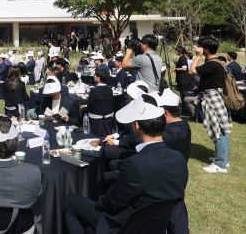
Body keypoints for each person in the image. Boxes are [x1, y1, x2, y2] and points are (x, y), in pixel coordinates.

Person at [64, 95, 188, 234]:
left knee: (70, 201)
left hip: (125, 225)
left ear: (137, 125)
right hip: (157, 225)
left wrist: (100, 200)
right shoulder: (179, 159)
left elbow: (113, 203)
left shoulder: (135, 164)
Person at [189, 36, 231, 173]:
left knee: (218, 131)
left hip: (212, 99)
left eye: (200, 47)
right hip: (214, 98)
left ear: (205, 49)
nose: (198, 49)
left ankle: (220, 164)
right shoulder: (216, 61)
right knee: (221, 130)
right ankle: (222, 158)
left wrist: (197, 56)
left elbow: (192, 71)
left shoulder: (212, 64)